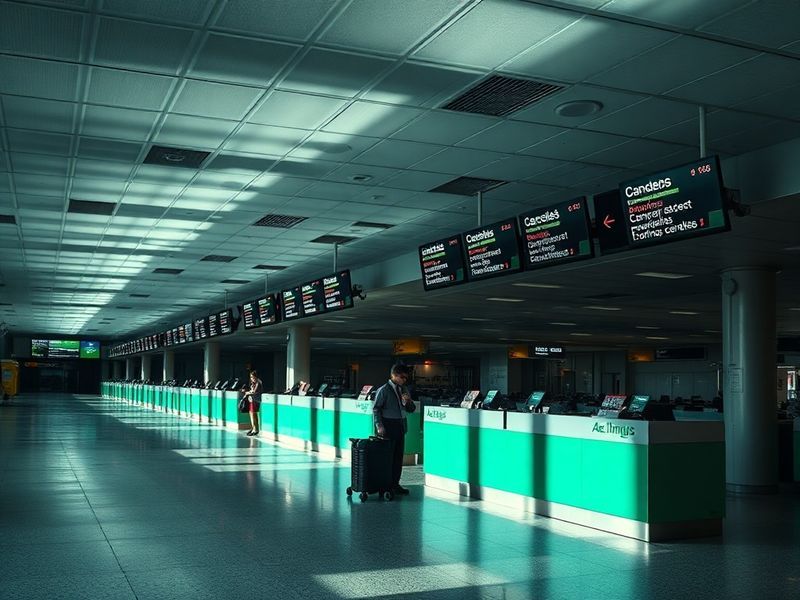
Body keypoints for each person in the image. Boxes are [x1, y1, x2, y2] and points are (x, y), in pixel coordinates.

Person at [373, 364, 416, 496]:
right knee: (387, 457)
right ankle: (385, 484)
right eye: (402, 377)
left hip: (400, 425)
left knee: (398, 457)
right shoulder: (383, 390)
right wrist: (379, 425)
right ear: (394, 375)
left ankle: (395, 484)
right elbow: (376, 409)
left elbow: (411, 409)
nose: (404, 380)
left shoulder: (404, 390)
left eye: (406, 378)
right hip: (387, 425)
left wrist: (408, 402)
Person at [241, 370, 263, 436]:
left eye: (253, 377)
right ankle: (253, 427)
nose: (252, 379)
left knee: (253, 414)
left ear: (256, 377)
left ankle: (255, 429)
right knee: (251, 413)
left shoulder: (258, 383)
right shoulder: (253, 383)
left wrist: (247, 393)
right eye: (251, 377)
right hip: (252, 400)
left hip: (256, 400)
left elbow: (254, 392)